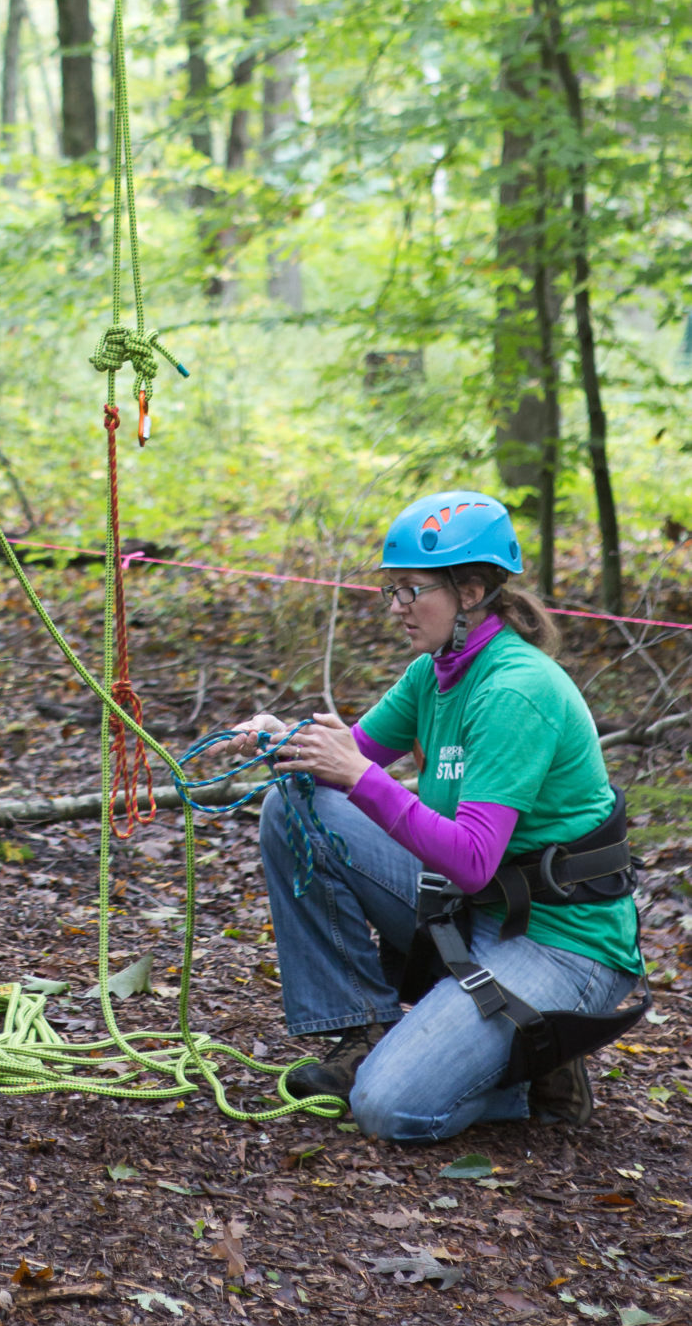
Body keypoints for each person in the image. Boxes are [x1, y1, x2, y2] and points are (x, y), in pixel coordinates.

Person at [243, 489, 644, 1142]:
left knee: (387, 1108)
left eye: (411, 591)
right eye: (390, 591)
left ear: (471, 591)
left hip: (563, 944)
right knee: (295, 806)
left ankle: (528, 1068)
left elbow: (469, 855)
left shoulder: (515, 689)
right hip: (479, 909)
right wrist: (274, 738)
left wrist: (360, 777)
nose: (397, 608)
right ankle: (365, 1031)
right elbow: (344, 762)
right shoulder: (433, 674)